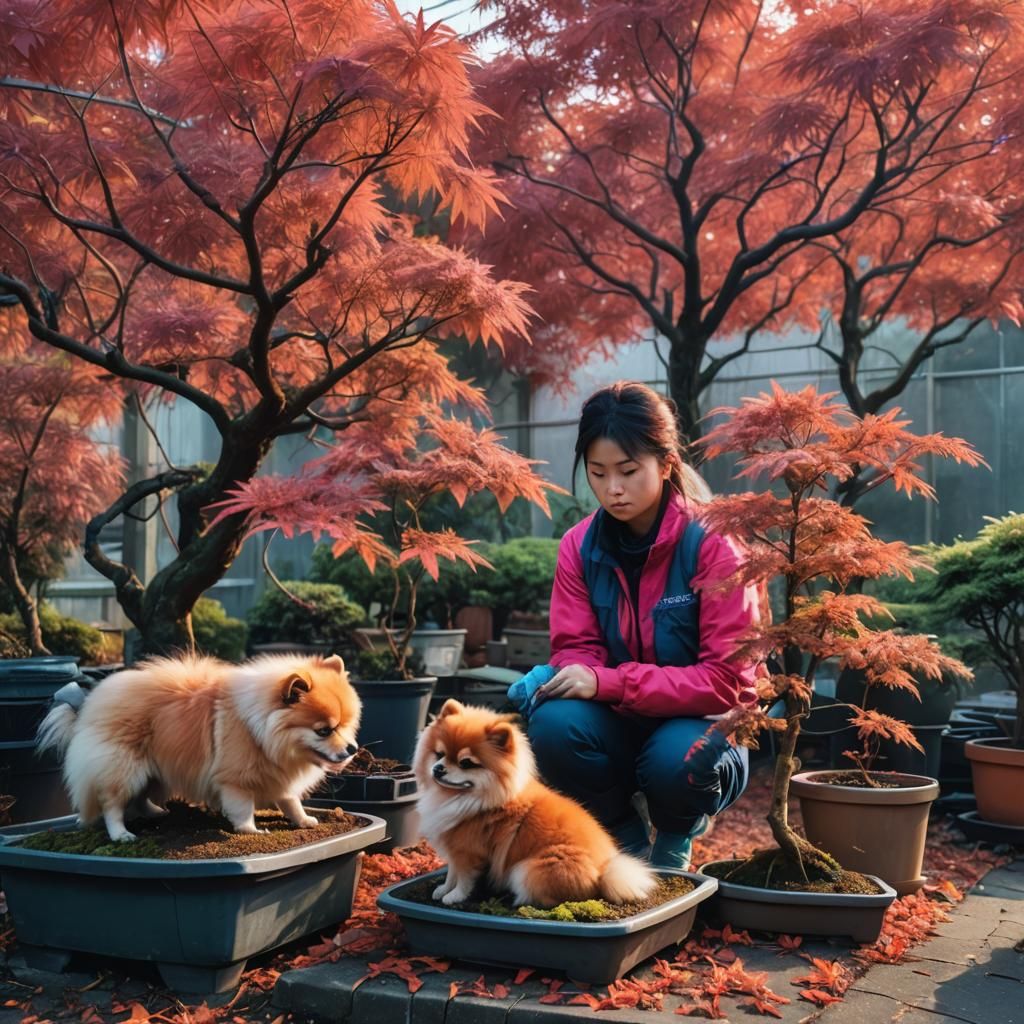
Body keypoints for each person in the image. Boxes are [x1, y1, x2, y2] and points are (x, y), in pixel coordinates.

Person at [509, 381, 763, 870]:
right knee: (554, 725)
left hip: (702, 724)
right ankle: (623, 836)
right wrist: (561, 675)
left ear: (666, 465)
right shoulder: (579, 547)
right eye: (598, 473)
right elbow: (576, 647)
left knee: (675, 760)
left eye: (628, 471)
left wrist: (608, 681)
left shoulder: (712, 544)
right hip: (621, 720)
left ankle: (675, 836)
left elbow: (728, 683)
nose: (613, 489)